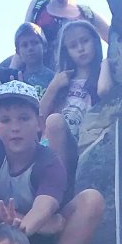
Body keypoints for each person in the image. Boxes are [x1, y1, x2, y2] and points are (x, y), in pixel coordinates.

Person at [0, 82, 105, 244]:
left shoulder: (49, 162)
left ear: (39, 124)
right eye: (6, 120)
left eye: (24, 118)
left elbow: (44, 208)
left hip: (38, 242)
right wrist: (44, 225)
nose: (15, 128)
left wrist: (21, 228)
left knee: (91, 200)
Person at [40, 20, 111, 172]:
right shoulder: (62, 81)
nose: (80, 49)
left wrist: (105, 63)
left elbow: (104, 90)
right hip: (56, 144)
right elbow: (38, 115)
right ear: (66, 52)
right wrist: (53, 87)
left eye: (85, 41)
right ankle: (59, 180)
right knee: (54, 121)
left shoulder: (102, 75)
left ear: (95, 41)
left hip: (86, 144)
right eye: (73, 46)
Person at [0, 22, 54, 92]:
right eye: (24, 45)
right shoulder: (14, 79)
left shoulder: (54, 79)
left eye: (34, 43)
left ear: (44, 47)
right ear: (18, 52)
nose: (30, 48)